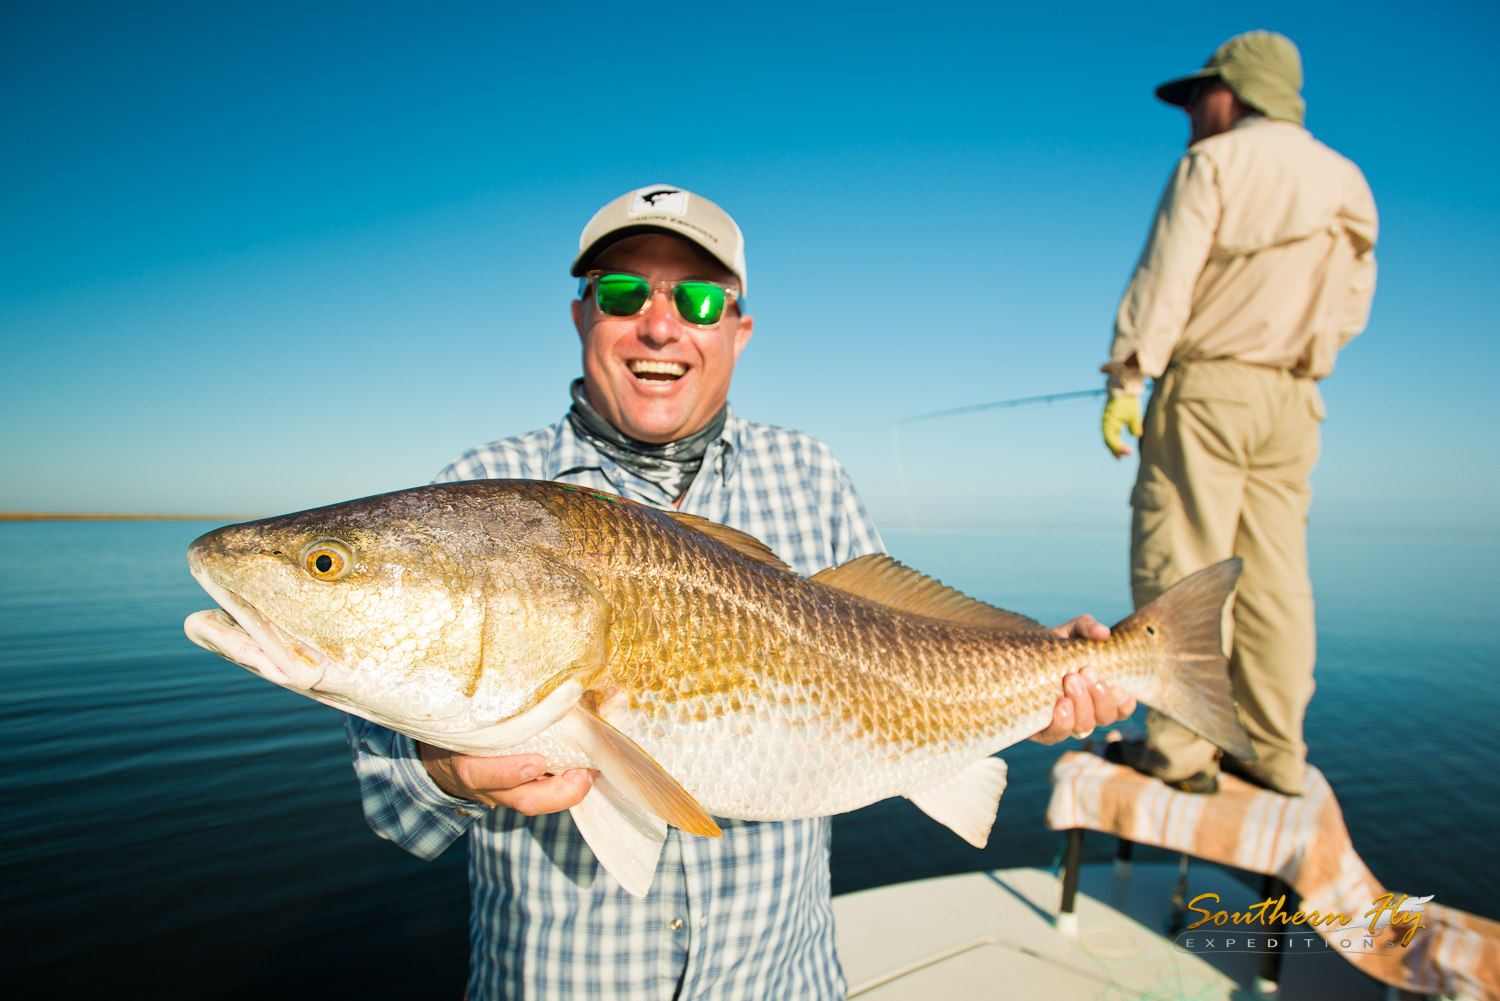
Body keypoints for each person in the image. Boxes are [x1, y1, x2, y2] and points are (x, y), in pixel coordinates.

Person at [347, 184, 1136, 999]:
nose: (660, 325)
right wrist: (447, 769)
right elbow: (387, 792)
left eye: (696, 297)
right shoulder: (482, 493)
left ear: (738, 330)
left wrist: (1039, 688)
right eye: (623, 293)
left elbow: (908, 657)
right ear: (582, 315)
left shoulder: (812, 473)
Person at [1099, 32, 1378, 796]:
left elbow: (1166, 281)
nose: (1190, 110)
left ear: (1240, 91)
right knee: (1279, 580)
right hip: (1297, 397)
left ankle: (1183, 754)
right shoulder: (1347, 180)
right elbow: (1354, 304)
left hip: (1209, 386)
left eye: (1199, 94)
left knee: (1179, 567)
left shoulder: (1212, 164)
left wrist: (1129, 378)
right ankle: (1272, 750)